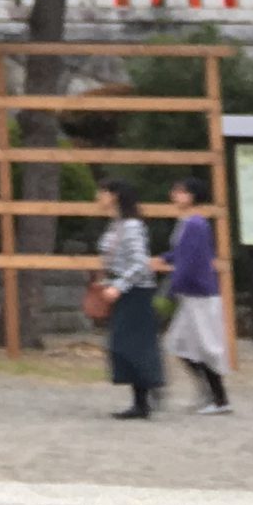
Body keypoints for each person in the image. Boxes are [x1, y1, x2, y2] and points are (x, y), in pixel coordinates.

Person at [157, 175, 233, 414]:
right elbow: (181, 253)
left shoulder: (195, 224)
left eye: (181, 191)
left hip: (200, 295)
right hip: (191, 294)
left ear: (192, 196)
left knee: (205, 346)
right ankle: (207, 393)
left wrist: (171, 289)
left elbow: (189, 260)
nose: (175, 195)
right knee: (180, 344)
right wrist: (164, 258)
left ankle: (219, 399)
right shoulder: (188, 222)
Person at [91, 178, 164, 420]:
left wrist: (120, 286)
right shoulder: (117, 224)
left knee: (131, 345)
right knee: (124, 345)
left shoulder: (131, 226)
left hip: (135, 291)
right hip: (121, 289)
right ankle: (144, 394)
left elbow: (140, 263)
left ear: (114, 195)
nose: (97, 197)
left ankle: (147, 393)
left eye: (102, 192)